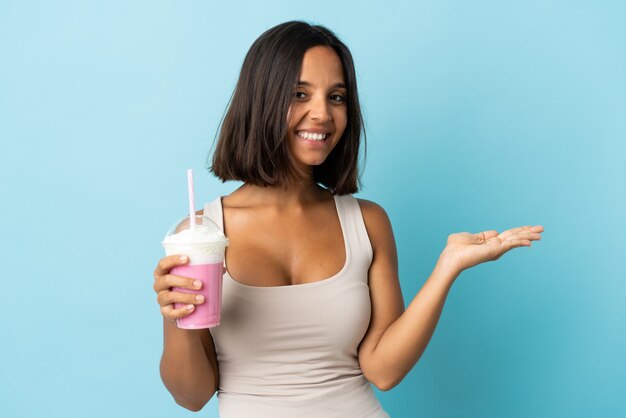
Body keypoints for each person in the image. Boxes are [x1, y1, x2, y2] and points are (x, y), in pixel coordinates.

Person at [152, 21, 544, 417]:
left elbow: (384, 370)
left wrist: (447, 268)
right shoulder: (201, 235)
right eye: (299, 94)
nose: (322, 113)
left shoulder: (367, 223)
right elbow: (192, 395)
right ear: (261, 101)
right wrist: (174, 319)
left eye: (336, 96)